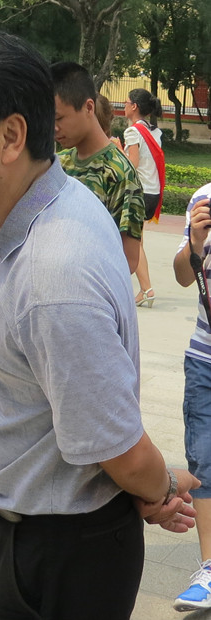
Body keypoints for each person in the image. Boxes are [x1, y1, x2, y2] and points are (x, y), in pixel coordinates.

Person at [0, 25, 199, 620]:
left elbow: (116, 447)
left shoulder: (52, 272)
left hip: (56, 555)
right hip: (37, 536)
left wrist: (162, 489)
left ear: (10, 136)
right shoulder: (40, 206)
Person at [51, 61, 145, 273]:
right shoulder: (56, 165)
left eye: (59, 118)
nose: (54, 128)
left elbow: (129, 260)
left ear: (88, 107)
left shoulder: (120, 174)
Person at [173, 185, 211, 612]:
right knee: (204, 460)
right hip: (204, 358)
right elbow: (183, 276)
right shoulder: (203, 198)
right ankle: (210, 568)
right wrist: (196, 244)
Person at [125, 88, 165, 307]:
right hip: (152, 192)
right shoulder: (155, 132)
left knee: (133, 243)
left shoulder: (133, 132)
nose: (124, 106)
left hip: (138, 193)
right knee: (138, 240)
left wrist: (117, 149)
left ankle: (147, 289)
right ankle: (143, 289)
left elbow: (132, 165)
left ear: (134, 107)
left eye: (126, 103)